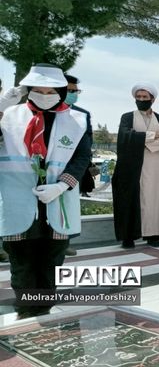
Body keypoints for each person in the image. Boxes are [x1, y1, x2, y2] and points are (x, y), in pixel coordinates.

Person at [0, 64, 92, 319]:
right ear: (28, 90)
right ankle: (26, 311)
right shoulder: (9, 115)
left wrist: (62, 185)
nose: (44, 95)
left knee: (52, 260)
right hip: (17, 200)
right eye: (38, 91)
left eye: (50, 91)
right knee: (21, 262)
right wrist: (0, 106)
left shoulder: (76, 119)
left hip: (56, 200)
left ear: (60, 92)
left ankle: (45, 308)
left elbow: (81, 157)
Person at [112, 83, 159, 248]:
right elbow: (125, 137)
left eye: (144, 97)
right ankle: (129, 237)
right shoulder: (127, 117)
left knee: (156, 200)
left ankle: (154, 235)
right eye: (138, 97)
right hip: (133, 168)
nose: (141, 99)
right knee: (131, 200)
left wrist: (141, 140)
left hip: (157, 168)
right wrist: (153, 136)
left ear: (152, 99)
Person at [62, 74, 93, 256]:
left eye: (75, 91)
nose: (73, 94)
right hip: (48, 167)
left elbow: (87, 140)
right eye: (69, 90)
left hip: (73, 167)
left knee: (69, 206)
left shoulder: (82, 114)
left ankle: (64, 241)